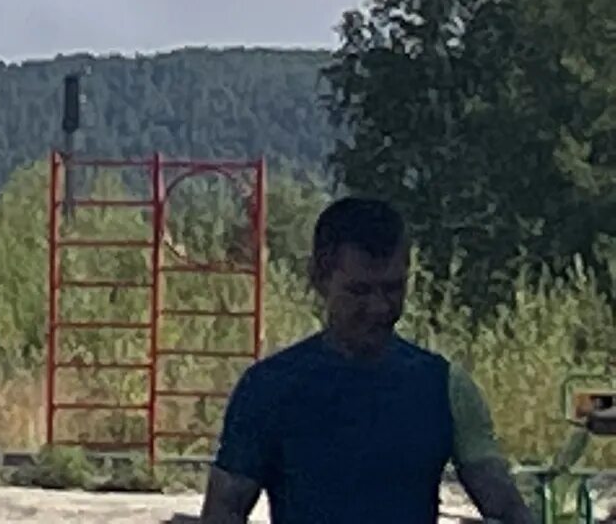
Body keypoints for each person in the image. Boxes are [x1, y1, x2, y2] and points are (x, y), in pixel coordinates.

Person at [199, 196, 529, 524]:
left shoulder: (446, 389)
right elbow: (224, 510)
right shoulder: (268, 389)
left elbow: (505, 508)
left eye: (393, 289)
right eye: (359, 291)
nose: (379, 308)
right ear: (319, 278)